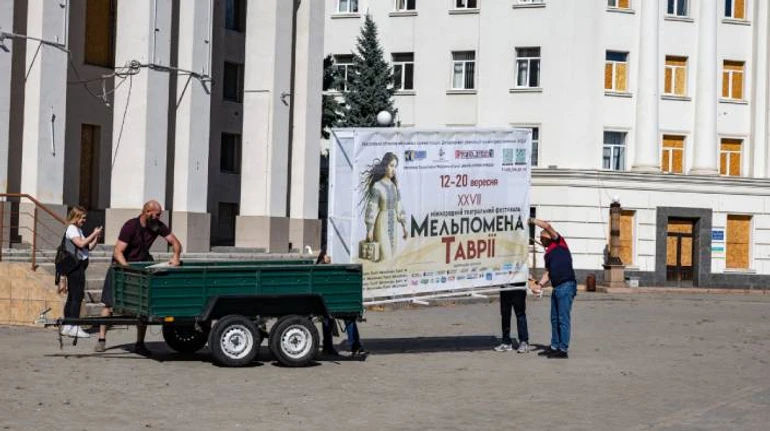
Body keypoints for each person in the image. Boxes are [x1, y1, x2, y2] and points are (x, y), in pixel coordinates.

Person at [94, 200, 182, 355]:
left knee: (143, 308)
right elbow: (118, 251)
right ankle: (101, 339)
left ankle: (140, 343)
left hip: (141, 266)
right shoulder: (130, 226)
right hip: (121, 267)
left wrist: (176, 256)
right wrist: (128, 269)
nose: (158, 218)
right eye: (157, 214)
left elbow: (175, 242)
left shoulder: (157, 225)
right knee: (108, 304)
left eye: (160, 215)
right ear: (147, 212)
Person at [530, 217, 577, 359]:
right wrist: (539, 285)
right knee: (554, 318)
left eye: (542, 237)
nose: (541, 239)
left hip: (566, 285)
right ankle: (554, 346)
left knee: (563, 318)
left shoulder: (559, 242)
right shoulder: (548, 253)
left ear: (548, 237)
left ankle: (563, 350)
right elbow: (549, 272)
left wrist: (531, 220)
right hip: (557, 287)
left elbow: (547, 225)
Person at [59, 206, 102, 338]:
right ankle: (74, 326)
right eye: (82, 217)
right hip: (74, 267)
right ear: (76, 217)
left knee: (73, 296)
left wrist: (96, 238)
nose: (84, 220)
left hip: (79, 266)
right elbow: (81, 244)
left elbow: (87, 247)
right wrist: (93, 234)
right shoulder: (72, 229)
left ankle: (68, 325)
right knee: (77, 296)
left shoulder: (78, 230)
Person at [316, 250, 368, 356]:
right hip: (328, 299)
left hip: (336, 297)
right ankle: (330, 347)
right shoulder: (321, 265)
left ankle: (354, 345)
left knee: (348, 317)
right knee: (329, 320)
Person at [361, 152, 408, 262]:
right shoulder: (377, 186)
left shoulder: (394, 186)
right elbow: (371, 207)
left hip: (394, 226)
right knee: (384, 257)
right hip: (381, 224)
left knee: (392, 257)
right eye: (391, 165)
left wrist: (404, 226)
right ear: (385, 165)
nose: (393, 169)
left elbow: (399, 205)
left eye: (395, 166)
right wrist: (369, 230)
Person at [493, 283, 530, 353]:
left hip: (518, 288)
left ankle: (524, 342)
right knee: (505, 315)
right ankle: (506, 342)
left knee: (520, 315)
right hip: (505, 289)